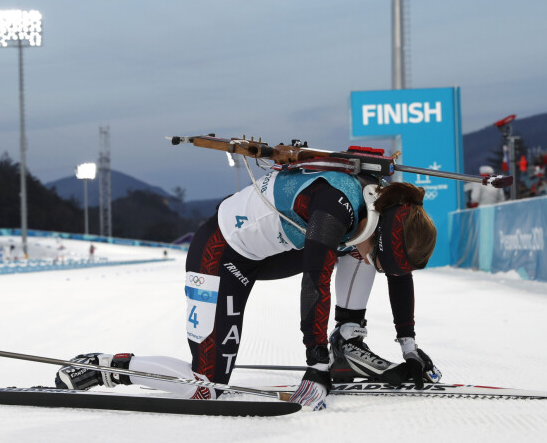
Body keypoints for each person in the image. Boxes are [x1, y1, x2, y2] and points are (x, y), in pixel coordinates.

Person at [55, 168, 441, 410]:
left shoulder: (390, 211)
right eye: (379, 259)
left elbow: (396, 270)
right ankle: (107, 367)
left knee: (355, 252)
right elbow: (315, 283)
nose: (377, 264)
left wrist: (409, 346)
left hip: (273, 253)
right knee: (206, 387)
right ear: (384, 235)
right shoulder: (335, 207)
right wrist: (315, 364)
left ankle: (348, 340)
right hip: (221, 254)